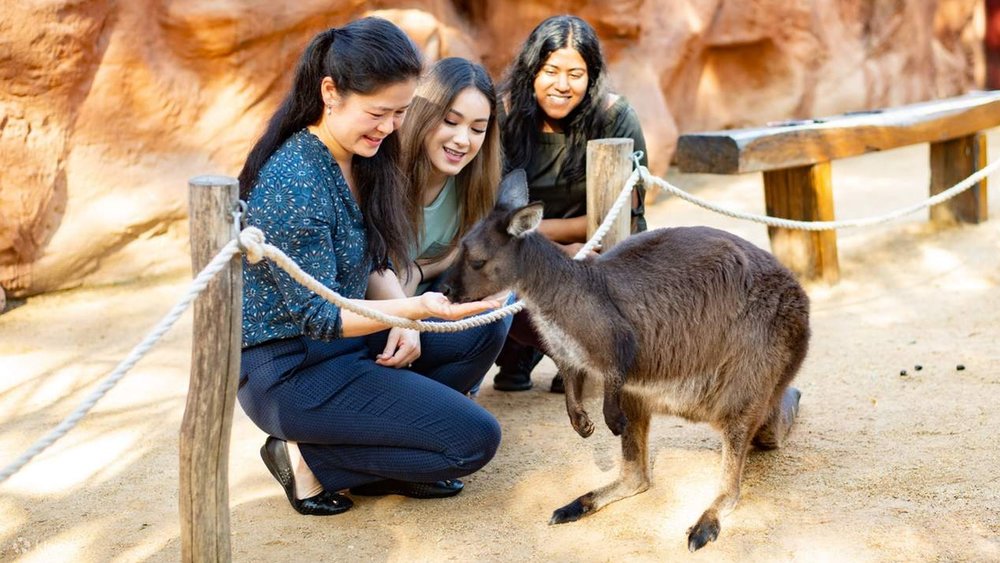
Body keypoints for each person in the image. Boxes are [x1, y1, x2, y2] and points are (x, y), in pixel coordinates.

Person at [236, 18, 504, 517]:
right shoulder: (295, 180)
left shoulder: (364, 155)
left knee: (480, 328)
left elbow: (374, 254)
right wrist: (410, 311)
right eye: (379, 112)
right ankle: (307, 458)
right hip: (293, 369)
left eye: (401, 113)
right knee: (473, 441)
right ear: (330, 92)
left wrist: (402, 314)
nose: (390, 127)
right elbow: (319, 317)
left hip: (349, 344)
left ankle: (395, 454)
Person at [493, 15, 649, 393]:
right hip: (523, 249)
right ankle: (517, 350)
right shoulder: (503, 113)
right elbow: (490, 216)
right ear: (532, 70)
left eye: (575, 74)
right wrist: (561, 250)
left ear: (591, 76)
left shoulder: (615, 116)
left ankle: (583, 355)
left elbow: (622, 210)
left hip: (601, 245)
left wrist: (576, 249)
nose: (562, 85)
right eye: (551, 71)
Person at [396, 57, 512, 393]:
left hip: (433, 311)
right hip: (378, 317)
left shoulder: (473, 182)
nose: (463, 140)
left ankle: (443, 398)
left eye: (477, 129)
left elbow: (469, 247)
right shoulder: (387, 171)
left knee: (498, 300)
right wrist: (407, 316)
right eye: (451, 121)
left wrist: (419, 270)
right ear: (424, 115)